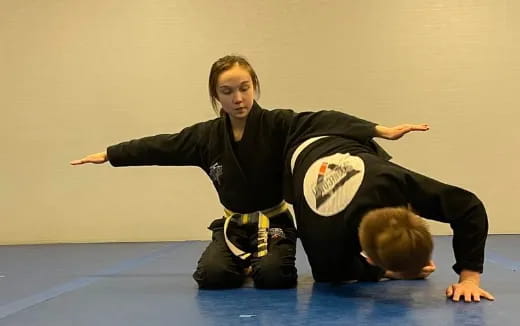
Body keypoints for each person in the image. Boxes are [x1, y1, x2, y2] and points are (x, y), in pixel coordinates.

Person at [70, 54, 427, 289]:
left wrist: (379, 129)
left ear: (254, 87)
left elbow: (324, 119)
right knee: (211, 277)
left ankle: (377, 269)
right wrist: (110, 154)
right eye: (227, 91)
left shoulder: (278, 124)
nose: (238, 98)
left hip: (275, 224)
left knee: (273, 278)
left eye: (244, 88)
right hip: (233, 227)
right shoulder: (205, 137)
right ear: (216, 96)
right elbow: (159, 145)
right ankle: (241, 263)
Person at [284, 133, 495, 302]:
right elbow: (329, 276)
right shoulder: (323, 236)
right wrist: (387, 272)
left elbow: (469, 208)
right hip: (294, 149)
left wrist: (470, 279)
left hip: (353, 144)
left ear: (411, 209)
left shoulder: (395, 182)